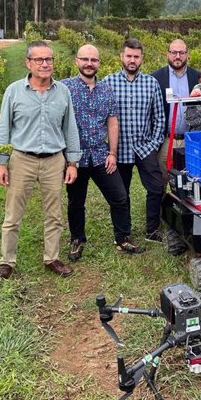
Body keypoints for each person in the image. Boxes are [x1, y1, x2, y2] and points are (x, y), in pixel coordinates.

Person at [0, 41, 82, 279]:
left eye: (49, 59)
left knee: (54, 214)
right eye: (39, 60)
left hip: (54, 161)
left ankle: (52, 257)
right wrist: (1, 161)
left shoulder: (63, 92)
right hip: (22, 159)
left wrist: (72, 162)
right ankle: (7, 261)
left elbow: (70, 129)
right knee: (12, 214)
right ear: (28, 63)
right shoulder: (14, 91)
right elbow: (4, 128)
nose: (45, 64)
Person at [60, 44, 144, 259]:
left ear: (99, 63)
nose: (89, 63)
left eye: (94, 60)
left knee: (119, 196)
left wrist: (112, 153)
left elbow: (112, 123)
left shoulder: (107, 88)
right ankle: (77, 239)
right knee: (76, 201)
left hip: (100, 155)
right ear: (77, 61)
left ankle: (122, 238)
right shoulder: (64, 88)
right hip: (75, 158)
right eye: (85, 59)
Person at [104, 38, 166, 243]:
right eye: (128, 56)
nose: (132, 60)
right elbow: (101, 117)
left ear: (142, 59)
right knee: (121, 194)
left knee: (156, 188)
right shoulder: (108, 82)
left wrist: (154, 144)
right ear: (121, 57)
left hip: (144, 147)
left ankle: (152, 230)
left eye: (136, 57)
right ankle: (123, 233)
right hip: (119, 149)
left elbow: (159, 118)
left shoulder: (151, 83)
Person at [151, 38, 201, 187]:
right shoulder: (156, 77)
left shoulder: (197, 77)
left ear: (187, 55)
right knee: (161, 180)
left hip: (190, 139)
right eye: (174, 52)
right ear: (168, 54)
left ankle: (184, 208)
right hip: (166, 140)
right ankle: (161, 209)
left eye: (181, 52)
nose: (177, 56)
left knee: (189, 179)